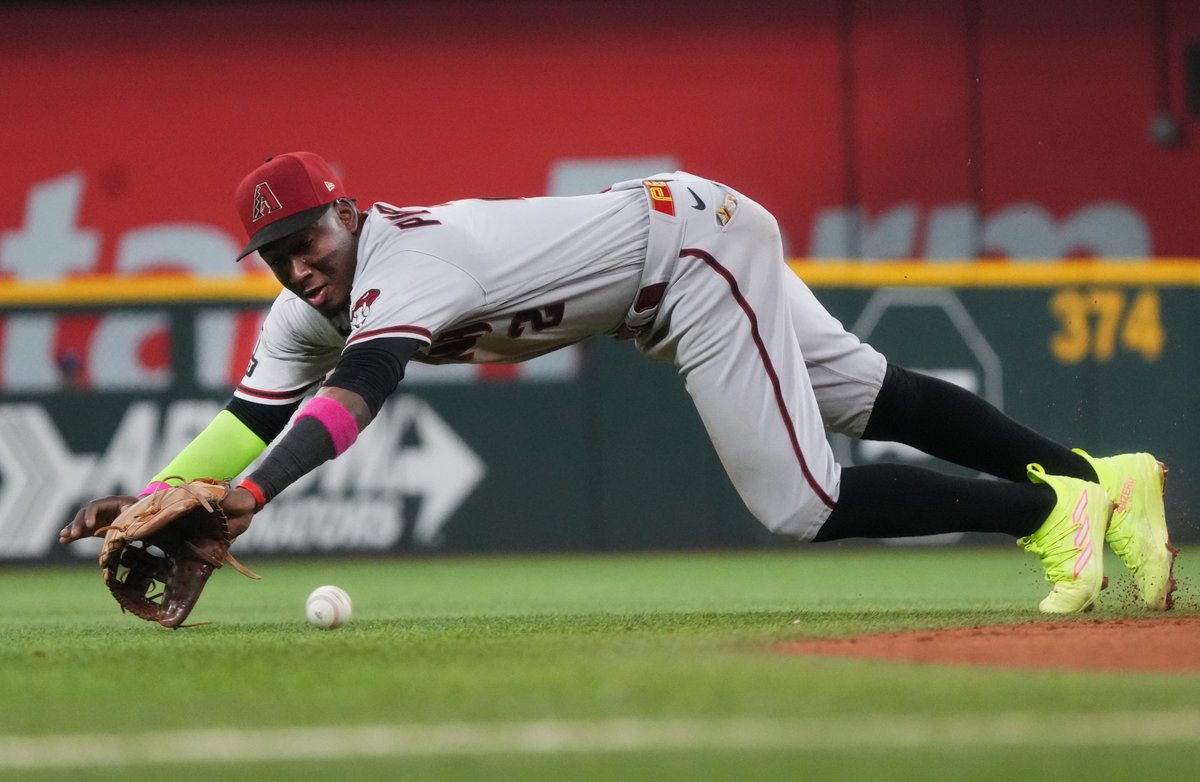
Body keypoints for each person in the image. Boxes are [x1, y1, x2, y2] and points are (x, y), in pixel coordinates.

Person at [60, 152, 1176, 613]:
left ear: (347, 212)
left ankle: (1051, 511)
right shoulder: (301, 310)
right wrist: (168, 485)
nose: (304, 263)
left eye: (312, 235)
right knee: (873, 393)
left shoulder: (402, 260)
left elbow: (358, 393)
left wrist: (250, 499)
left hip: (686, 251)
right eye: (281, 254)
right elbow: (248, 414)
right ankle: (1108, 479)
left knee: (799, 501)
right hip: (670, 261)